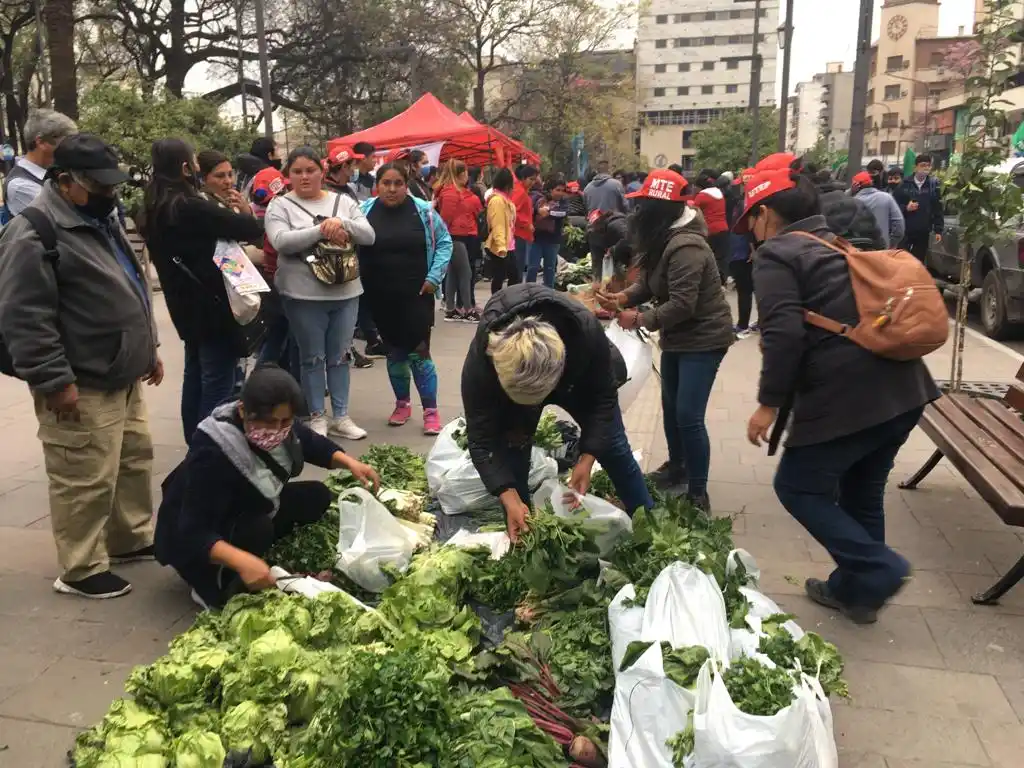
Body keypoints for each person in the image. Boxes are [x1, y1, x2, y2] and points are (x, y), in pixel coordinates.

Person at [734, 166, 939, 624]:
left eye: (750, 217)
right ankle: (857, 593)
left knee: (796, 486)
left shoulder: (778, 254)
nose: (750, 229)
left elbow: (784, 335)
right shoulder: (835, 242)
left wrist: (768, 404)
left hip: (850, 398)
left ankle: (879, 567)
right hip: (904, 390)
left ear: (766, 213)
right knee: (862, 492)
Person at [0, 133, 161, 599]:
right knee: (84, 476)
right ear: (66, 181)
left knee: (132, 461)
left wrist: (148, 348)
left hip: (123, 372)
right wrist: (54, 381)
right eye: (100, 186)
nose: (110, 194)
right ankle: (81, 568)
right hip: (80, 380)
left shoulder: (101, 216)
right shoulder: (33, 231)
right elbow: (25, 317)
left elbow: (130, 285)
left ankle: (129, 537)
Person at [154, 365, 381, 608]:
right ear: (243, 412)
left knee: (317, 496)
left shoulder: (278, 423)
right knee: (258, 529)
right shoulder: (212, 452)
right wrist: (243, 562)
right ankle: (209, 583)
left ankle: (248, 550)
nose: (277, 430)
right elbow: (193, 532)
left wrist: (350, 463)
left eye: (285, 421)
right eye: (270, 422)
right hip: (194, 532)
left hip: (243, 506)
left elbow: (309, 442)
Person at [463, 283, 653, 540]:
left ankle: (648, 526)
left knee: (614, 448)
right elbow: (481, 440)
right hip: (524, 379)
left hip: (577, 378)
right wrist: (507, 495)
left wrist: (587, 458)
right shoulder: (482, 366)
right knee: (513, 458)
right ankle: (525, 535)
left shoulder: (584, 333)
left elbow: (603, 400)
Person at [598, 169, 734, 507]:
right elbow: (648, 283)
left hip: (704, 338)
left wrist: (640, 318)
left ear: (660, 209)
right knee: (671, 407)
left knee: (688, 414)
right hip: (678, 336)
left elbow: (683, 304)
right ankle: (677, 467)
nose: (637, 213)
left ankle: (698, 492)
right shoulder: (663, 239)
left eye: (643, 206)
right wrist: (623, 298)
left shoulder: (687, 246)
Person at [143, 139, 264, 444]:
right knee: (217, 383)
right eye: (195, 163)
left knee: (196, 375)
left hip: (183, 304)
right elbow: (249, 229)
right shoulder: (190, 205)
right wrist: (243, 210)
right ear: (185, 167)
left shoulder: (154, 203)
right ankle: (212, 448)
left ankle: (195, 442)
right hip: (212, 305)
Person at [264, 147, 375, 439]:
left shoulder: (344, 201)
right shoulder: (280, 206)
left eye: (310, 170)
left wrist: (342, 224)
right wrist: (321, 230)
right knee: (312, 357)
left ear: (321, 172)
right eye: (297, 171)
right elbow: (281, 241)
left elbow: (369, 235)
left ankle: (341, 415)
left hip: (346, 292)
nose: (304, 177)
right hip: (302, 295)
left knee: (339, 356)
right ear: (288, 175)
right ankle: (316, 416)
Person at [359, 163, 452, 435]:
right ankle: (402, 404)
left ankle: (431, 411)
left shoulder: (423, 211)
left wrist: (434, 277)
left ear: (406, 184)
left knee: (419, 351)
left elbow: (444, 242)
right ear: (378, 184)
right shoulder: (364, 212)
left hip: (417, 295)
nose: (391, 189)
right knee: (395, 353)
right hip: (379, 297)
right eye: (386, 183)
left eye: (397, 183)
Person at [2, 109, 78, 221]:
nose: (71, 148)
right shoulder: (20, 185)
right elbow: (66, 218)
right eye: (66, 142)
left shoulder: (55, 171)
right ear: (41, 142)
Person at [434, 159, 483, 321]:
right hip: (455, 236)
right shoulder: (450, 193)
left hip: (457, 235)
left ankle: (451, 308)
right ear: (461, 174)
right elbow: (445, 218)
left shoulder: (451, 191)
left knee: (454, 273)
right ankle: (467, 309)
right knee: (465, 272)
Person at [896, 154, 943, 264]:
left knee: (919, 261)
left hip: (923, 230)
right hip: (906, 229)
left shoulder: (933, 185)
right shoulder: (904, 184)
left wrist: (938, 230)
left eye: (928, 165)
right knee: (903, 259)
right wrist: (906, 208)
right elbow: (894, 206)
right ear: (915, 167)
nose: (926, 168)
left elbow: (938, 208)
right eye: (922, 165)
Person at [527, 176, 567, 287]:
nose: (560, 193)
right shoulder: (539, 198)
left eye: (562, 190)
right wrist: (538, 210)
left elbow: (562, 213)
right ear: (550, 190)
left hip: (553, 240)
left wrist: (548, 212)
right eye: (557, 190)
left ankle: (548, 294)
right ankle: (529, 291)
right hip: (537, 239)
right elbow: (533, 210)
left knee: (549, 269)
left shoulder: (563, 202)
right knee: (533, 268)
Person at [692, 169, 729, 285]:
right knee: (721, 258)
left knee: (710, 257)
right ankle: (722, 281)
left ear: (700, 186)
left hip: (710, 230)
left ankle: (712, 282)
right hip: (723, 228)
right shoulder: (719, 193)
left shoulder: (702, 196)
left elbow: (693, 211)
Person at [850, 171, 905, 248]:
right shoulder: (887, 197)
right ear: (871, 183)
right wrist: (890, 243)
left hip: (859, 251)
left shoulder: (852, 203)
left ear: (855, 186)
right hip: (883, 248)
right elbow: (899, 226)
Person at [486, 168, 519, 293]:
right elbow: (498, 225)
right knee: (500, 278)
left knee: (511, 276)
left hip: (508, 245)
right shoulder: (497, 201)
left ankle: (507, 302)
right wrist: (501, 247)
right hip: (501, 247)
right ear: (507, 185)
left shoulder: (505, 200)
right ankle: (497, 303)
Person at [198, 150, 252, 215]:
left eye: (230, 174)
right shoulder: (201, 208)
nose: (228, 181)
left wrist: (247, 211)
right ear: (203, 178)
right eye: (220, 176)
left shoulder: (235, 204)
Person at [511, 165, 539, 277]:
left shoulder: (521, 190)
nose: (533, 182)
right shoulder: (520, 192)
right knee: (518, 268)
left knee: (519, 268)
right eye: (530, 179)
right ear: (523, 178)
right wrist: (526, 223)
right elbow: (512, 211)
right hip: (519, 233)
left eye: (534, 179)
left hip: (521, 233)